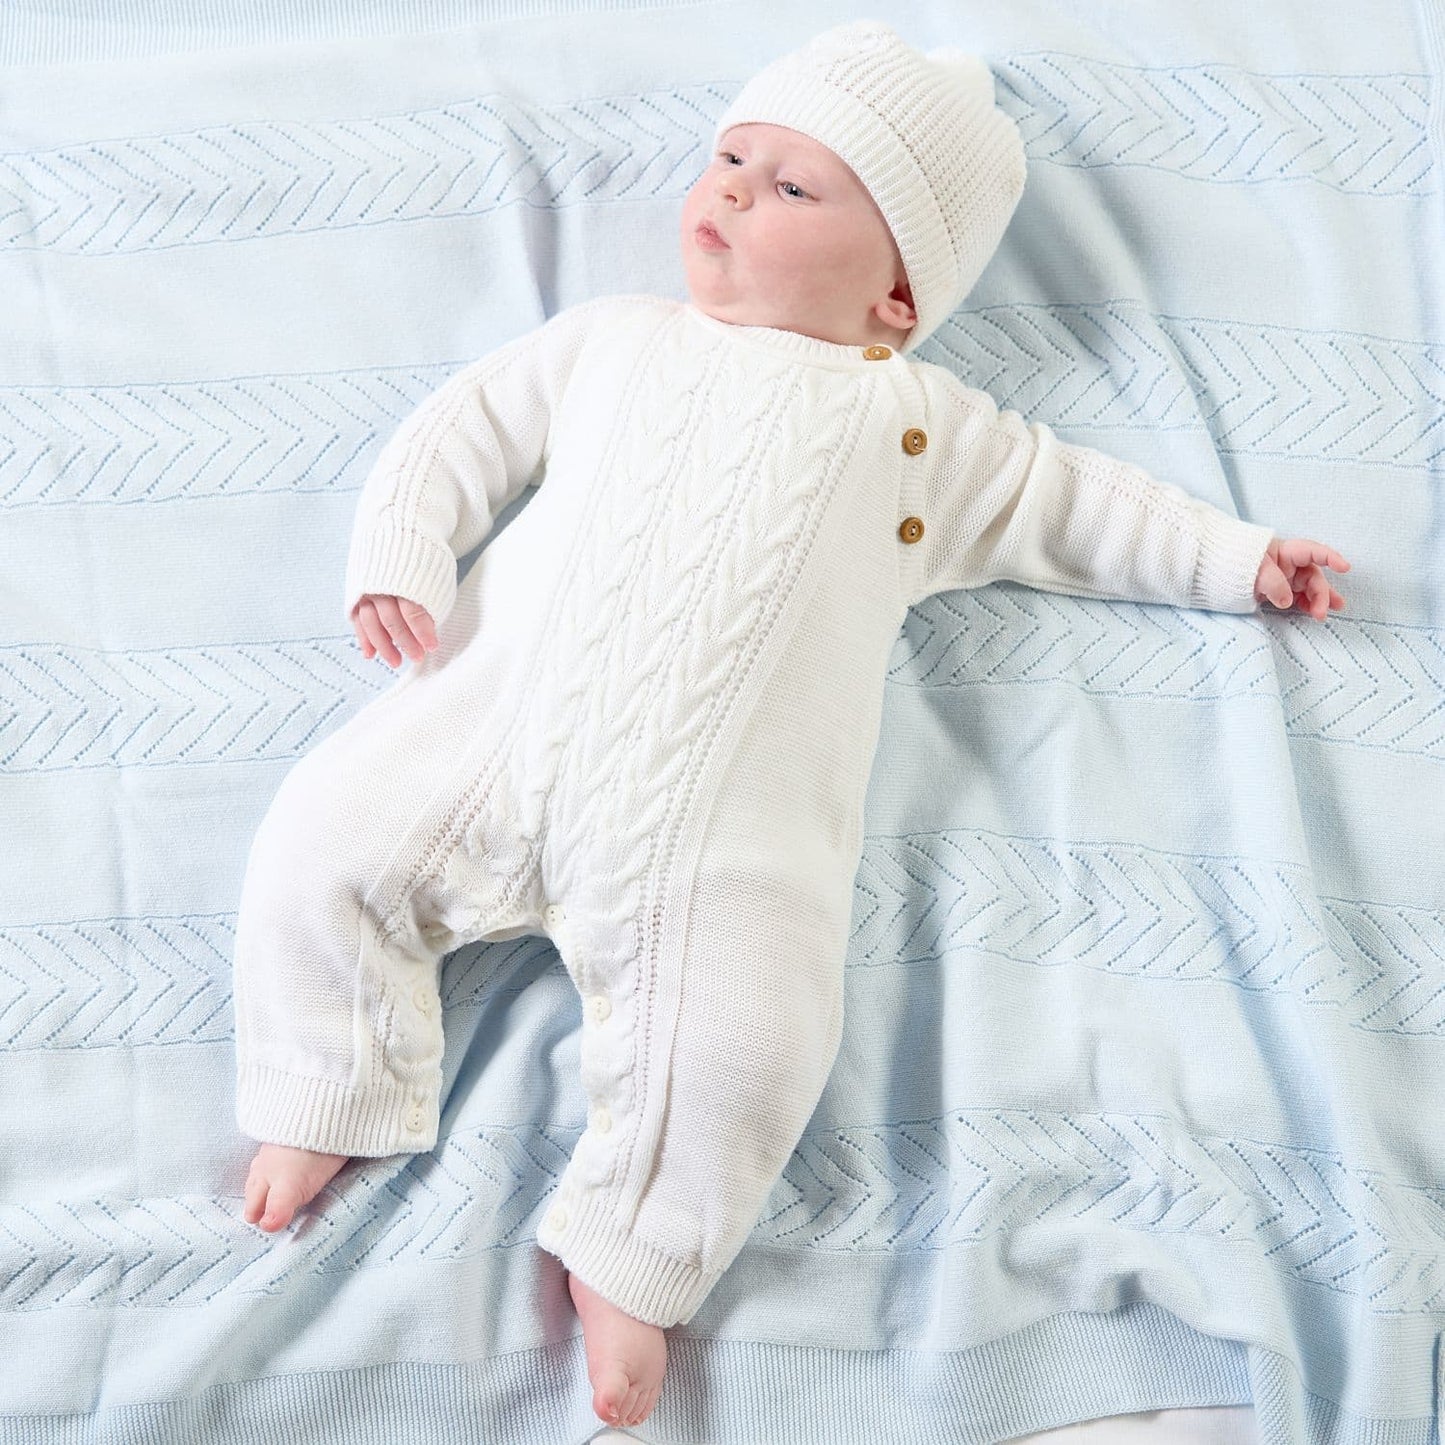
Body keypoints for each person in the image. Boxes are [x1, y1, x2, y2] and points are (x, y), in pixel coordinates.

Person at [233, 20, 1349, 1431]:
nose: (733, 192)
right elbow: (458, 431)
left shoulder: (925, 433)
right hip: (482, 743)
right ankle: (325, 1082)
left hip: (721, 841)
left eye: (793, 187)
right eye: (731, 159)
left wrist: (1239, 560)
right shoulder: (612, 343)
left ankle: (633, 1257)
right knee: (317, 847)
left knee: (749, 1051)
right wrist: (402, 553)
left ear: (897, 291)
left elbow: (1080, 505)